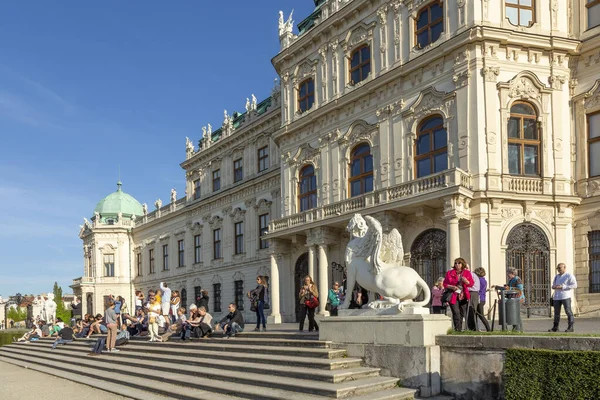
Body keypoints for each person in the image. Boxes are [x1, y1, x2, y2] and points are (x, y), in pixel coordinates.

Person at [443, 258, 475, 331]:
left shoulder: (467, 273)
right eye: (456, 263)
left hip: (463, 295)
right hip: (453, 295)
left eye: (459, 263)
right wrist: (451, 286)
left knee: (462, 313)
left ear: (462, 264)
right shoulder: (449, 273)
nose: (457, 265)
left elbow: (471, 284)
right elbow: (445, 284)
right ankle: (458, 329)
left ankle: (466, 328)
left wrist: (466, 281)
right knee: (456, 312)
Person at [549, 263, 578, 332]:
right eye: (558, 268)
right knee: (556, 312)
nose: (558, 270)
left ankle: (570, 327)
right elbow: (553, 285)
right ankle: (555, 327)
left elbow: (574, 285)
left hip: (565, 296)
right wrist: (554, 286)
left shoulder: (569, 275)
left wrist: (563, 287)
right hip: (557, 297)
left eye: (560, 268)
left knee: (568, 311)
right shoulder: (557, 276)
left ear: (564, 268)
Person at [465, 264, 480, 331]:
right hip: (469, 292)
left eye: (466, 267)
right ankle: (470, 327)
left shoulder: (470, 275)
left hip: (472, 293)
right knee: (468, 310)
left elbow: (470, 285)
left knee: (472, 310)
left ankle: (473, 328)